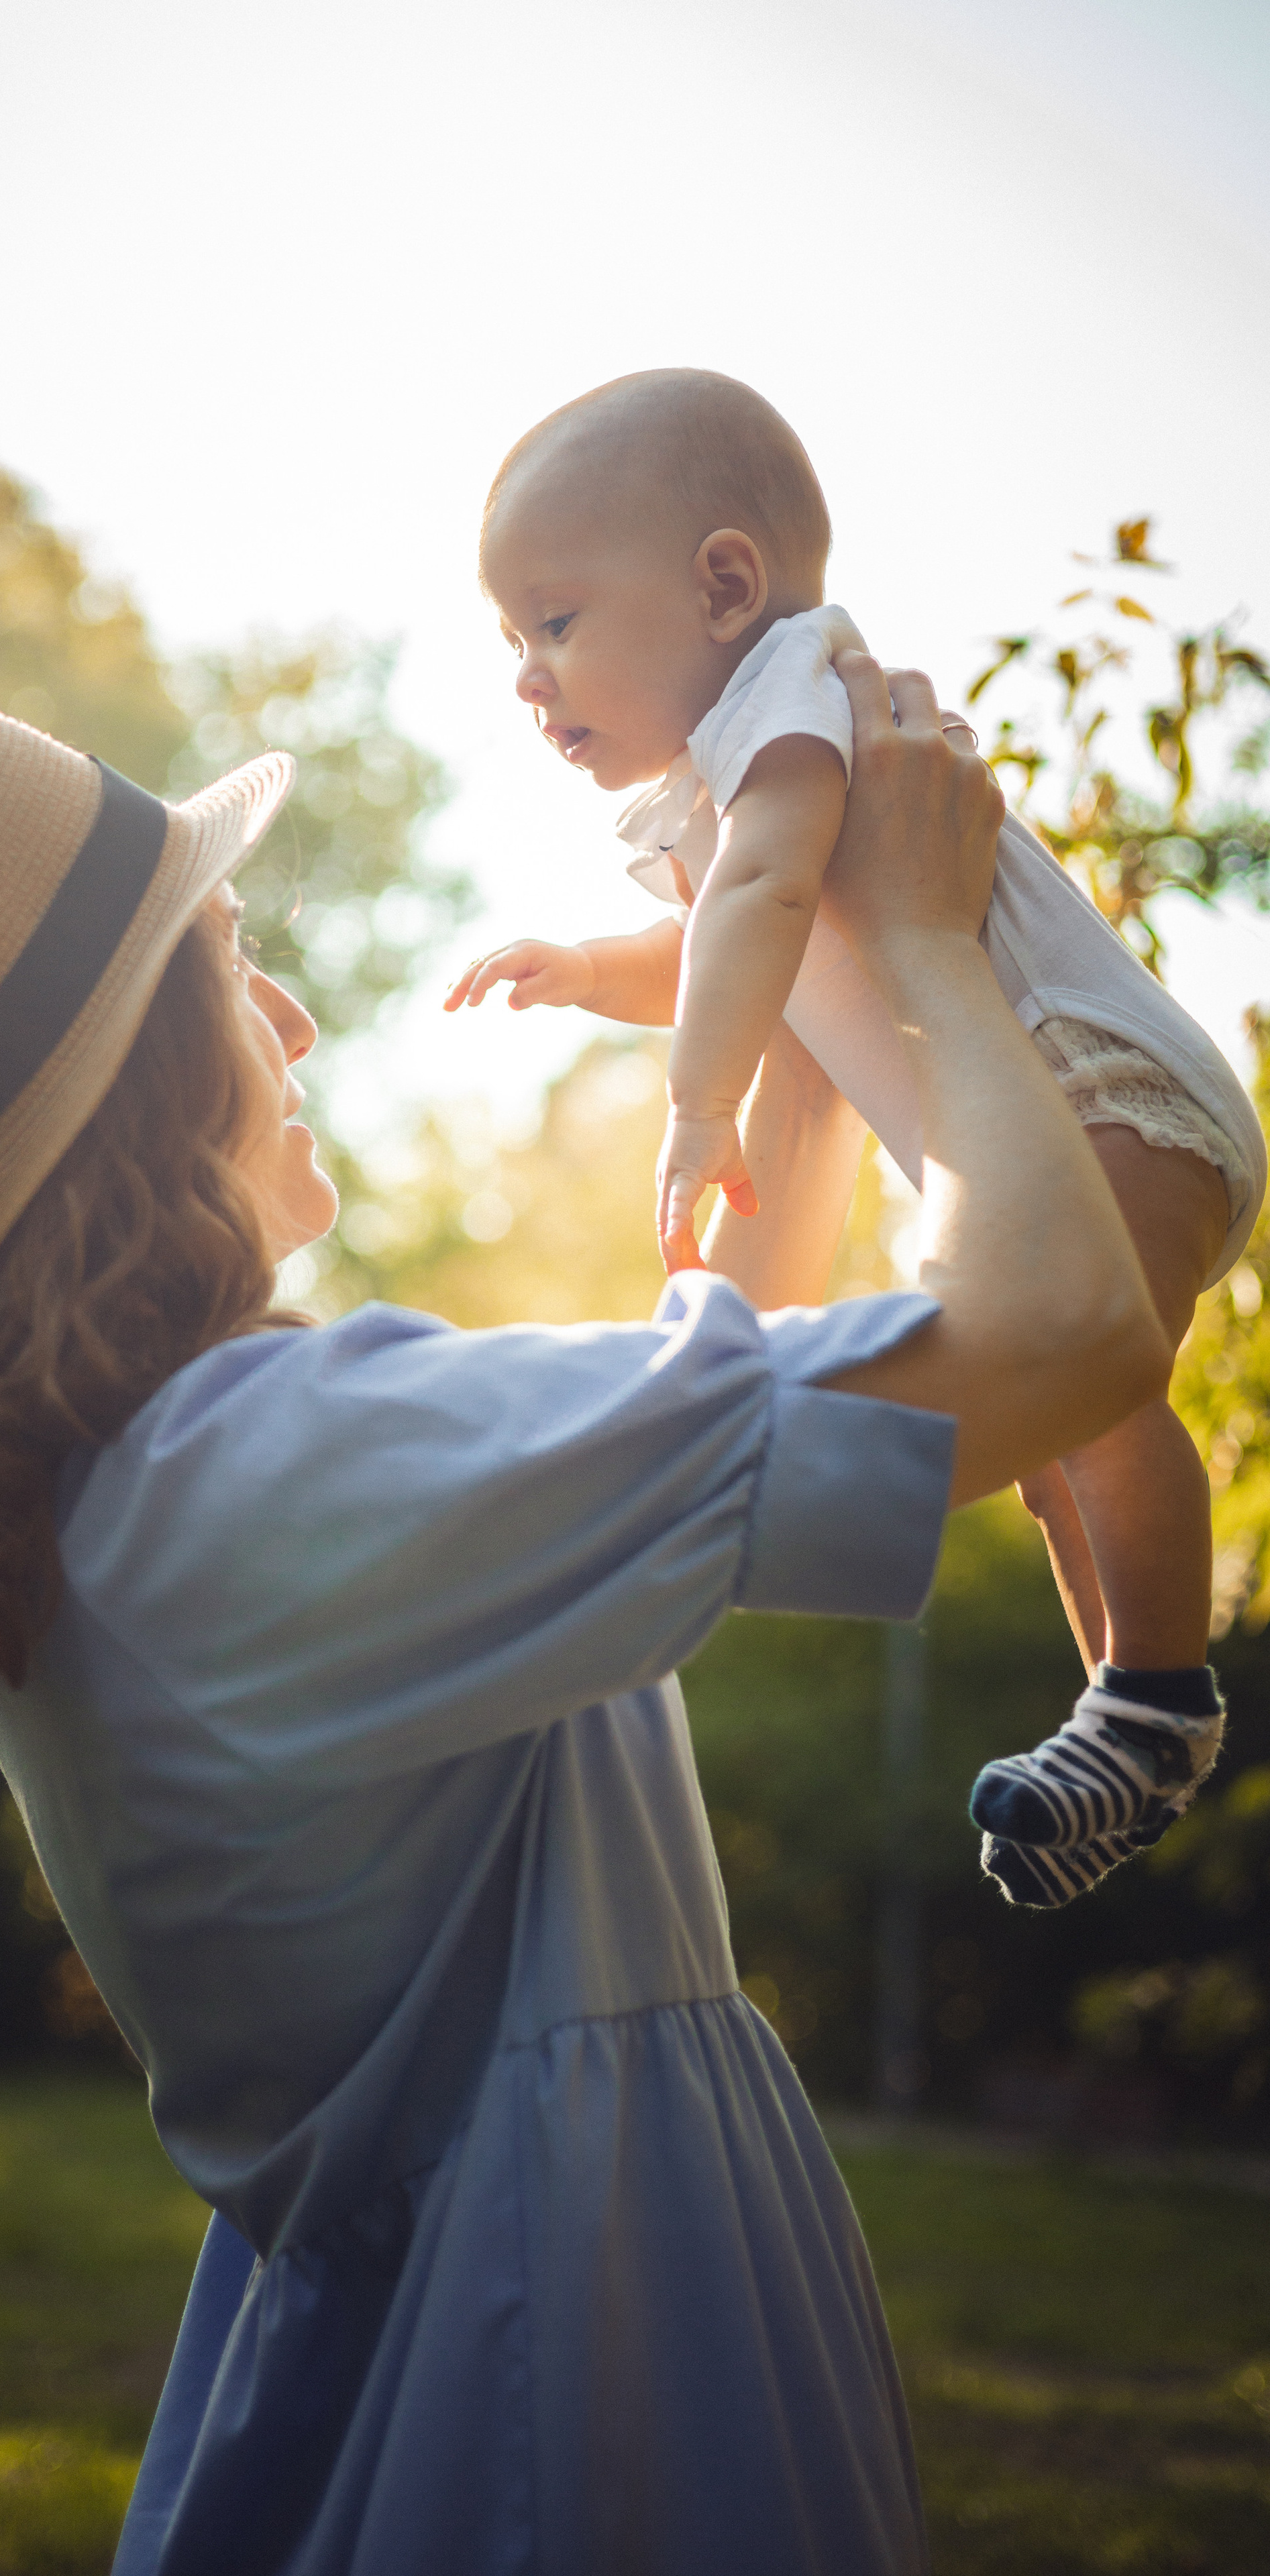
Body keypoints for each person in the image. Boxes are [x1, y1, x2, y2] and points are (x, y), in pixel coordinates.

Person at [0, 671, 1166, 2576]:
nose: (292, 1016)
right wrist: (935, 951)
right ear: (134, 1081)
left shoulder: (151, 1490)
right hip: (569, 2380)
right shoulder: (274, 1468)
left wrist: (794, 995)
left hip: (462, 2334)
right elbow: (1066, 1334)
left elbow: (704, 1447)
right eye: (228, 965)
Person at [446, 367, 1263, 1909]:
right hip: (1050, 1110)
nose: (526, 677)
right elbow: (718, 941)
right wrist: (582, 968)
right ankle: (1123, 1716)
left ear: (723, 583)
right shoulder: (726, 783)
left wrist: (698, 1106)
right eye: (509, 642)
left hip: (1102, 1090)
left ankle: (1156, 1694)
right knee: (1043, 1436)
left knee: (1087, 1394)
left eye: (552, 624)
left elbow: (755, 909)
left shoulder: (784, 696)